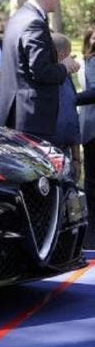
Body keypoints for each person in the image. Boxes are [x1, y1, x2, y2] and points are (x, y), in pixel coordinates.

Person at [0, 0, 79, 142]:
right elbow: (40, 70)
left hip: (17, 112)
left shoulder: (19, 16)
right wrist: (65, 66)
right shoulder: (34, 22)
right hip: (30, 118)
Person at [50, 33, 81, 174]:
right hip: (47, 153)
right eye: (70, 56)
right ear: (62, 55)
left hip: (66, 153)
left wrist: (76, 158)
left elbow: (73, 117)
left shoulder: (67, 79)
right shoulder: (41, 82)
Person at [78, 28, 95, 247]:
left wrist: (68, 99)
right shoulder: (86, 60)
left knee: (91, 181)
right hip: (89, 125)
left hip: (92, 127)